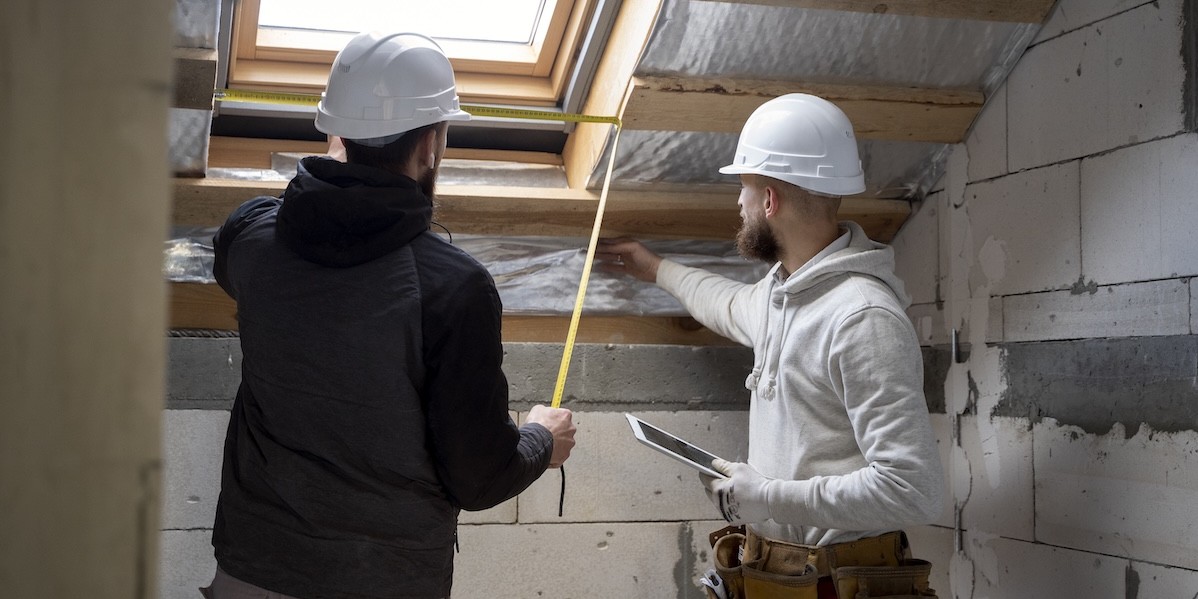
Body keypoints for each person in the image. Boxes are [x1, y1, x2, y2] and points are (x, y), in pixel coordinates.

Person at [205, 31, 576, 599]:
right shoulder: (454, 287)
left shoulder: (251, 239)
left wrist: (328, 184)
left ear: (336, 133)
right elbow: (478, 477)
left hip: (250, 570)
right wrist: (541, 441)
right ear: (430, 145)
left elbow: (260, 250)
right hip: (382, 579)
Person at [598, 94, 943, 599]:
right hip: (781, 575)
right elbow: (727, 303)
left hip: (838, 583)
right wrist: (655, 269)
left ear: (770, 200)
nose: (738, 203)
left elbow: (913, 490)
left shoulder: (862, 318)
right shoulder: (783, 293)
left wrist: (770, 497)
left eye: (744, 188)